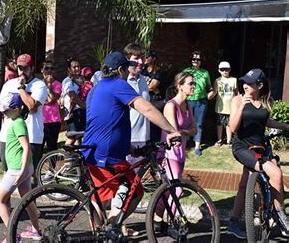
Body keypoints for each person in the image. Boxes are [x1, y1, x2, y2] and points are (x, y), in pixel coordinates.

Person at [81, 51, 181, 225]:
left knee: (101, 198)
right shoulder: (118, 84)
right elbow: (146, 109)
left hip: (93, 151)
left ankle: (101, 233)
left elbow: (106, 122)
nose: (128, 73)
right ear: (121, 70)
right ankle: (111, 229)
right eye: (127, 69)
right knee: (134, 191)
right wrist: (171, 130)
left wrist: (127, 148)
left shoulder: (96, 89)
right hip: (107, 156)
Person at [227, 69, 289, 239]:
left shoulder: (265, 102)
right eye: (244, 82)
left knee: (243, 185)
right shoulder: (238, 99)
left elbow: (265, 121)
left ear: (260, 85)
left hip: (260, 148)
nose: (245, 86)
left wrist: (285, 127)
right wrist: (241, 106)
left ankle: (232, 222)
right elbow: (232, 128)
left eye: (250, 83)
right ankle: (281, 216)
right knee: (276, 173)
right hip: (242, 148)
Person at [0, 93, 41, 242]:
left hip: (17, 169)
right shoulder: (16, 121)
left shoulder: (18, 123)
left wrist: (21, 172)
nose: (4, 112)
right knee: (26, 199)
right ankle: (36, 230)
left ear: (18, 109)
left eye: (7, 109)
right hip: (23, 168)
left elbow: (26, 147)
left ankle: (12, 236)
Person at [0, 53, 47, 179]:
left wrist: (21, 87)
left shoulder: (39, 85)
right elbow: (2, 105)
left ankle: (30, 199)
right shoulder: (8, 84)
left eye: (25, 68)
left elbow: (32, 106)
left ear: (32, 68)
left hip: (32, 136)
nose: (22, 71)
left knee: (30, 177)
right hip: (8, 136)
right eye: (20, 68)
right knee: (8, 177)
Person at [157, 72, 196, 212]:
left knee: (168, 191)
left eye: (194, 83)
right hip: (168, 154)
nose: (193, 86)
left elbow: (194, 130)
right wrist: (184, 132)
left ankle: (158, 220)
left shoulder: (188, 105)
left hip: (180, 154)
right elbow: (174, 133)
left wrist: (184, 132)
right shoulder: (170, 106)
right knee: (177, 190)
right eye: (190, 83)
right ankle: (172, 223)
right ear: (180, 86)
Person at [123, 44, 150, 166]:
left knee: (137, 178)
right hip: (128, 139)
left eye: (142, 58)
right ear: (127, 60)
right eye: (136, 58)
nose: (140, 62)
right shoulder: (122, 81)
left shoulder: (143, 79)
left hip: (143, 137)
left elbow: (146, 106)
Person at [183, 51, 213, 157]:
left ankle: (197, 146)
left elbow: (209, 87)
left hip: (201, 101)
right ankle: (185, 143)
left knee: (199, 124)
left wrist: (211, 93)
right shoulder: (186, 71)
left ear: (201, 61)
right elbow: (180, 85)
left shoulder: (205, 73)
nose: (196, 61)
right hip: (189, 100)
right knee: (186, 122)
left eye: (198, 59)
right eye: (194, 59)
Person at [40, 60, 62, 181]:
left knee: (52, 146)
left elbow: (52, 100)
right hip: (40, 120)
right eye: (46, 68)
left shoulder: (58, 84)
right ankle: (36, 170)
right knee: (39, 146)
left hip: (53, 120)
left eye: (51, 68)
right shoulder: (37, 84)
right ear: (42, 70)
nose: (49, 71)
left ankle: (51, 170)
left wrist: (49, 87)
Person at [207, 61, 237, 146]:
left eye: (226, 69)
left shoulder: (234, 80)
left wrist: (238, 102)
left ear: (230, 70)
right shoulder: (217, 80)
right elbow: (215, 91)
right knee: (219, 124)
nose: (224, 71)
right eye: (222, 69)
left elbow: (236, 92)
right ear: (219, 70)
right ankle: (219, 140)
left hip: (231, 107)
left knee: (229, 124)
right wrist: (210, 95)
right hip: (220, 106)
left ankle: (229, 141)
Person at [62, 57, 86, 145]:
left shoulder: (82, 80)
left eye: (78, 66)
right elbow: (72, 96)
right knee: (72, 136)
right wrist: (84, 105)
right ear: (69, 69)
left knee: (79, 136)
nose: (77, 68)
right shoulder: (67, 81)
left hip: (81, 111)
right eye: (74, 67)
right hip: (72, 112)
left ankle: (76, 156)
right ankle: (64, 156)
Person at [142, 50, 164, 142]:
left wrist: (144, 86)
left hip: (155, 100)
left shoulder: (158, 72)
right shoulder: (143, 70)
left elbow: (151, 87)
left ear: (153, 58)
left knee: (154, 124)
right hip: (146, 99)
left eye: (148, 56)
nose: (145, 58)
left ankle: (155, 144)